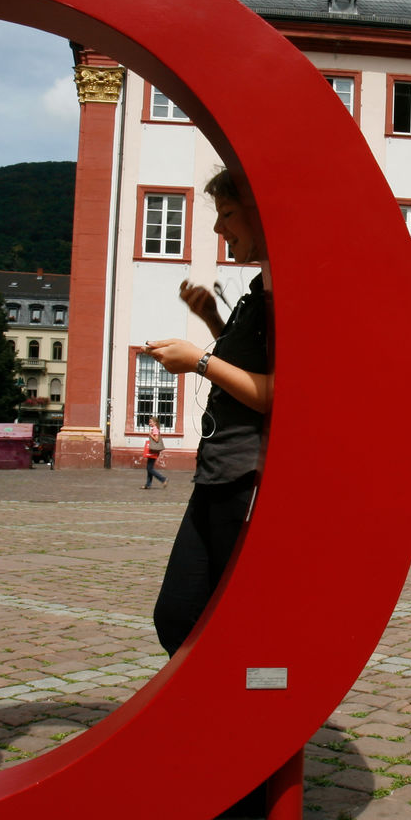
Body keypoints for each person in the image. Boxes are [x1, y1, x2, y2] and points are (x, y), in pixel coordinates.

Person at [144, 168, 272, 656]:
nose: (220, 230)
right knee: (178, 615)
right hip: (219, 475)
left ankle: (242, 719)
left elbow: (281, 394)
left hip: (247, 480)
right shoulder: (260, 290)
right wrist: (214, 320)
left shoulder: (284, 295)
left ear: (263, 213)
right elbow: (250, 368)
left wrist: (199, 360)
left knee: (214, 619)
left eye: (227, 215)